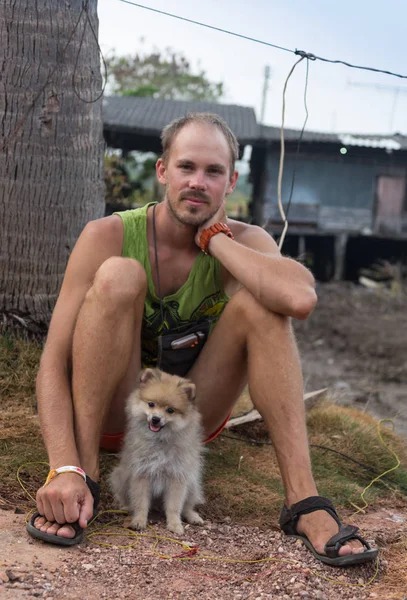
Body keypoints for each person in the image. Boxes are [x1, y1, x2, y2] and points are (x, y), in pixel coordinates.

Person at [27, 113, 376, 566]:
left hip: (189, 414)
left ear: (231, 182)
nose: (198, 182)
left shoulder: (246, 242)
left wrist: (218, 243)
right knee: (118, 275)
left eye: (213, 172)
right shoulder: (107, 235)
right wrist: (64, 466)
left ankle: (303, 502)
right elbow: (52, 363)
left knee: (261, 303)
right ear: (162, 171)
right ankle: (87, 475)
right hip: (116, 412)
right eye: (186, 167)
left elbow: (298, 298)